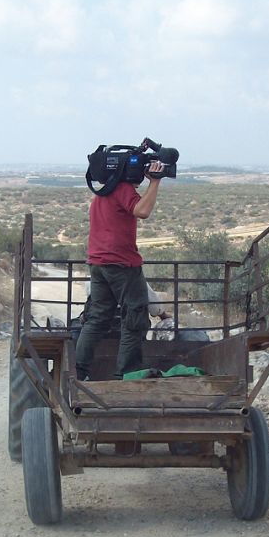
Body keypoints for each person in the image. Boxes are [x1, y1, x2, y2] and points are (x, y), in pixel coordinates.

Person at [75, 160, 166, 380]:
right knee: (135, 319)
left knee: (97, 318)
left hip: (98, 264)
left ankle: (79, 372)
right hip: (122, 264)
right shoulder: (121, 189)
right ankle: (126, 375)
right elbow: (142, 211)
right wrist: (155, 182)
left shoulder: (101, 193)